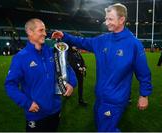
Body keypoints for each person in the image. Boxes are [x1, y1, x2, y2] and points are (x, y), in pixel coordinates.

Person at [52, 3, 153, 132]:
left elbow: (143, 73)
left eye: (110, 19)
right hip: (100, 97)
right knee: (103, 128)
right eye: (106, 18)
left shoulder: (134, 44)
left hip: (115, 100)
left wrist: (144, 95)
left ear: (121, 20)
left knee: (105, 130)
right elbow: (83, 42)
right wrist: (64, 36)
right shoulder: (103, 40)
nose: (106, 22)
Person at [5, 18, 77, 132]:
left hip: (55, 110)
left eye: (45, 30)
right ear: (30, 31)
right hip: (36, 113)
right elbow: (10, 85)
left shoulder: (52, 51)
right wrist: (26, 103)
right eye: (41, 30)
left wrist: (71, 83)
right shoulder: (20, 58)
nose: (45, 33)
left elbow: (68, 68)